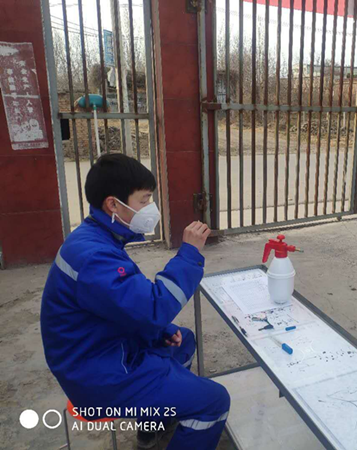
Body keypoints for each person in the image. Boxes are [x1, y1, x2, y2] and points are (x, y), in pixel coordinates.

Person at [41, 154, 230, 449]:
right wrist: (190, 254)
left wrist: (158, 330)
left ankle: (152, 426)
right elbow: (153, 307)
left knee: (183, 340)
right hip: (98, 374)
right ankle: (176, 408)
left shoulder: (98, 236)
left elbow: (119, 305)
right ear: (113, 204)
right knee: (214, 401)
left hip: (102, 348)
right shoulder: (94, 256)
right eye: (144, 200)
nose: (150, 207)